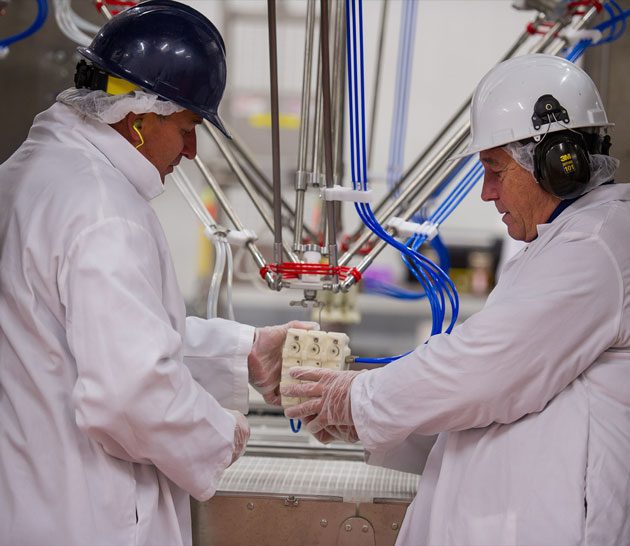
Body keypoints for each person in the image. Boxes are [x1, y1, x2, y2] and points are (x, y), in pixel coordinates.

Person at [282, 53, 630, 545]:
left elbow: (485, 372)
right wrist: (363, 422)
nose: (487, 193)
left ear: (558, 165)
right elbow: (486, 410)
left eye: (494, 169)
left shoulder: (596, 247)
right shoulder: (566, 246)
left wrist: (357, 399)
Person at [0, 2, 314, 545]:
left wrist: (247, 353)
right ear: (140, 115)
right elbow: (130, 394)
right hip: (88, 518)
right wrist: (222, 436)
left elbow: (83, 337)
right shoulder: (101, 209)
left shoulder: (35, 173)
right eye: (189, 127)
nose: (192, 151)